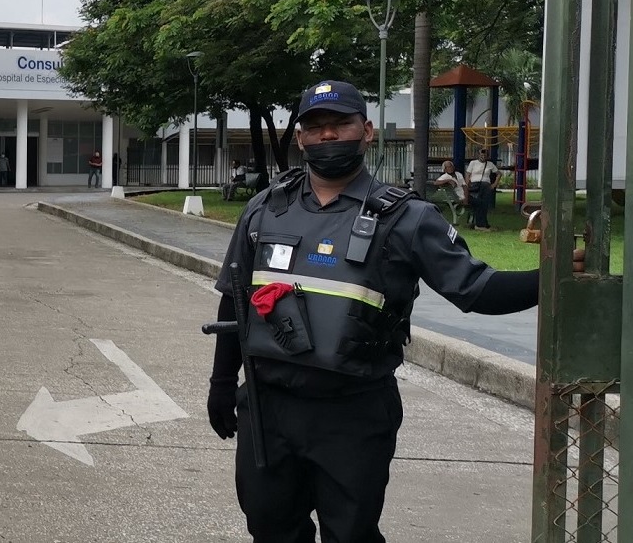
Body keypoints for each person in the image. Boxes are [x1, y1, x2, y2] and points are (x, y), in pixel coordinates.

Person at [206, 79, 541, 543]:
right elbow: (235, 298)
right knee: (270, 528)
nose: (327, 136)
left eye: (340, 124)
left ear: (365, 131)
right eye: (315, 126)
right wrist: (222, 385)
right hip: (268, 407)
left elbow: (477, 290)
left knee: (351, 534)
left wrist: (551, 280)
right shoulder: (265, 209)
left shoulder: (407, 217)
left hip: (353, 412)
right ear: (300, 137)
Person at [465, 148, 501, 231]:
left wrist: (494, 185)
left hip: (486, 185)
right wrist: (467, 184)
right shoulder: (473, 163)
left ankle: (484, 223)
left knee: (484, 205)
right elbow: (468, 174)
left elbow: (498, 174)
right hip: (475, 185)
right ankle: (479, 224)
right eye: (481, 155)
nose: (483, 157)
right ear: (478, 155)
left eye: (485, 155)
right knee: (478, 204)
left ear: (487, 156)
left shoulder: (490, 164)